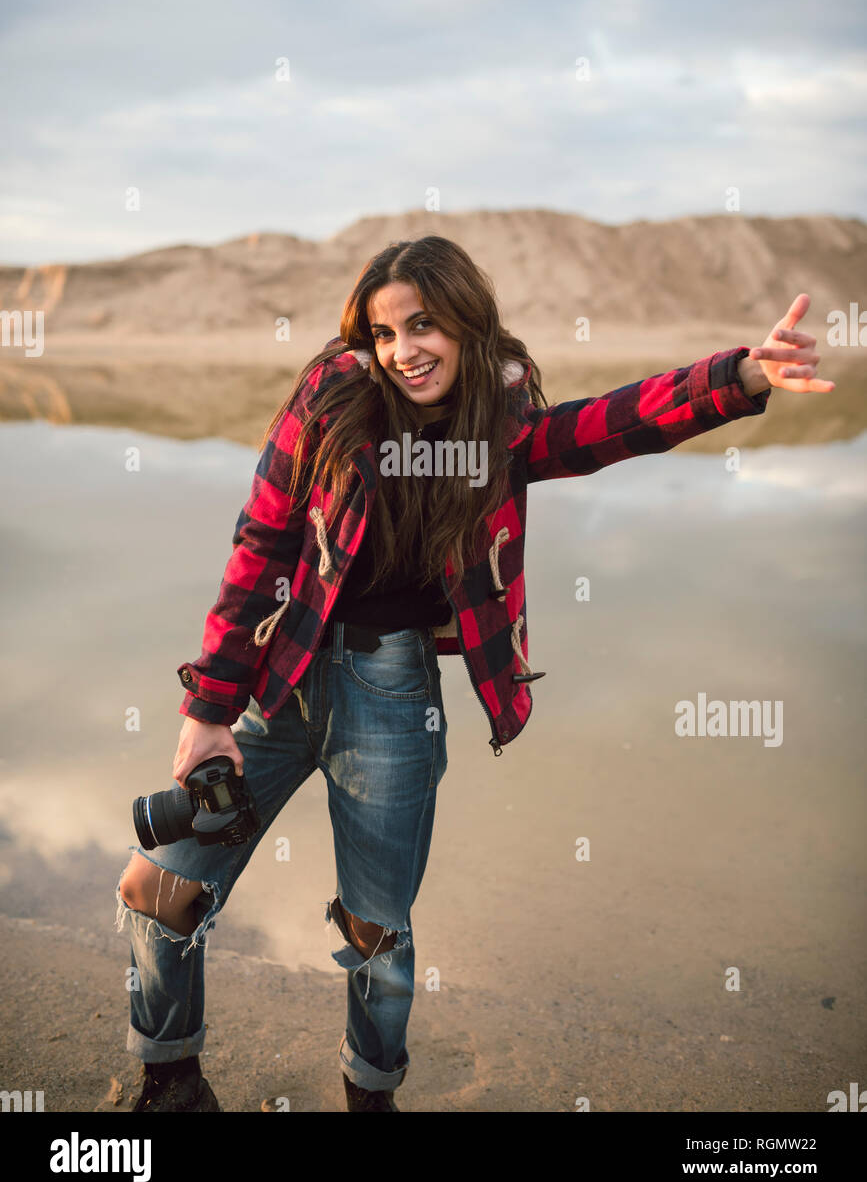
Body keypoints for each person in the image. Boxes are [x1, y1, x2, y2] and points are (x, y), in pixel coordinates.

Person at [115, 235, 834, 1113]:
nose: (403, 350)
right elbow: (260, 539)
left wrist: (740, 379)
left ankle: (368, 1096)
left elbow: (605, 426)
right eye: (384, 332)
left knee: (375, 933)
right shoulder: (333, 397)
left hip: (392, 691)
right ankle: (172, 1082)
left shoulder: (501, 413)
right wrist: (208, 706)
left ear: (463, 322)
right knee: (163, 886)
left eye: (423, 325)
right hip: (281, 679)